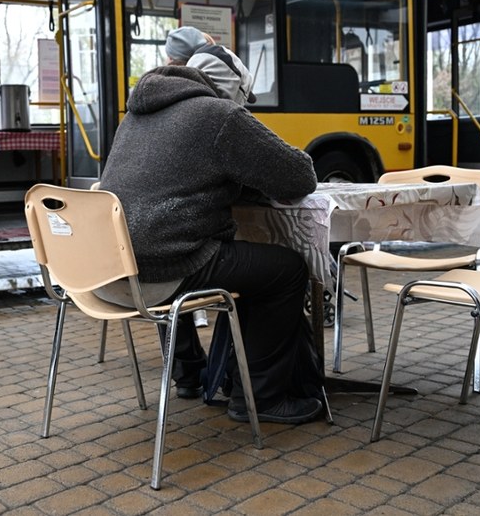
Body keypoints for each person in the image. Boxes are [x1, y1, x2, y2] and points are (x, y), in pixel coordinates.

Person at [98, 46, 324, 424]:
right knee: (286, 270)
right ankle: (260, 398)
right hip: (164, 270)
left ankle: (211, 376)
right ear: (233, 89)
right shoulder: (219, 114)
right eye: (244, 100)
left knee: (249, 266)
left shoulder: (136, 115)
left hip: (107, 272)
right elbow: (300, 177)